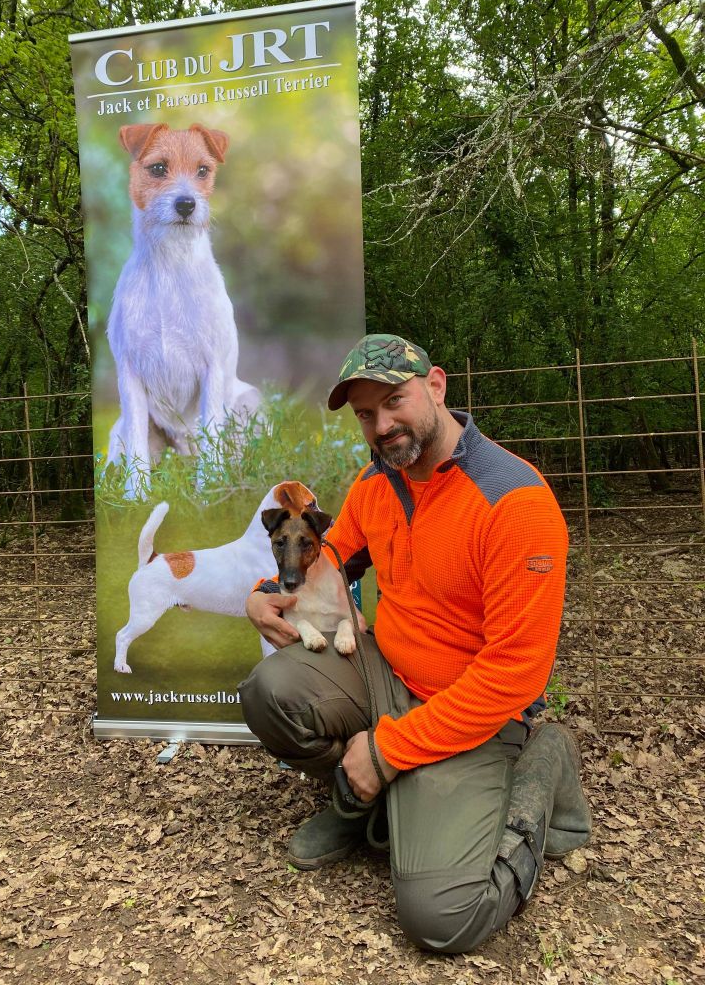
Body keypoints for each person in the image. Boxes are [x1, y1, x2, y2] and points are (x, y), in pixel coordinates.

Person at [239, 333, 591, 954]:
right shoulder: (380, 482)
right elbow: (336, 555)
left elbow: (515, 674)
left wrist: (390, 749)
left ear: (436, 387)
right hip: (384, 673)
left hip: (473, 713)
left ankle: (541, 767)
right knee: (270, 691)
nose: (381, 424)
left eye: (393, 401)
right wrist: (264, 591)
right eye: (366, 415)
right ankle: (362, 803)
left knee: (441, 919)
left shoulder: (516, 502)